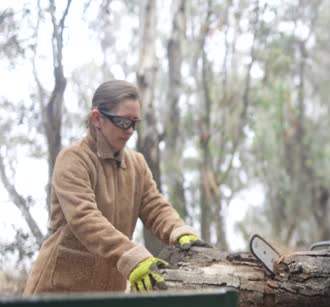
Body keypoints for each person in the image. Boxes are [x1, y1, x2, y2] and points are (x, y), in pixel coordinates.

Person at [24, 80, 210, 294]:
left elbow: (155, 207)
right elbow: (84, 218)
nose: (130, 131)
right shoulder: (73, 159)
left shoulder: (137, 164)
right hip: (57, 293)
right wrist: (130, 255)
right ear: (97, 118)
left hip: (107, 295)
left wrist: (179, 232)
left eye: (134, 123)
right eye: (123, 122)